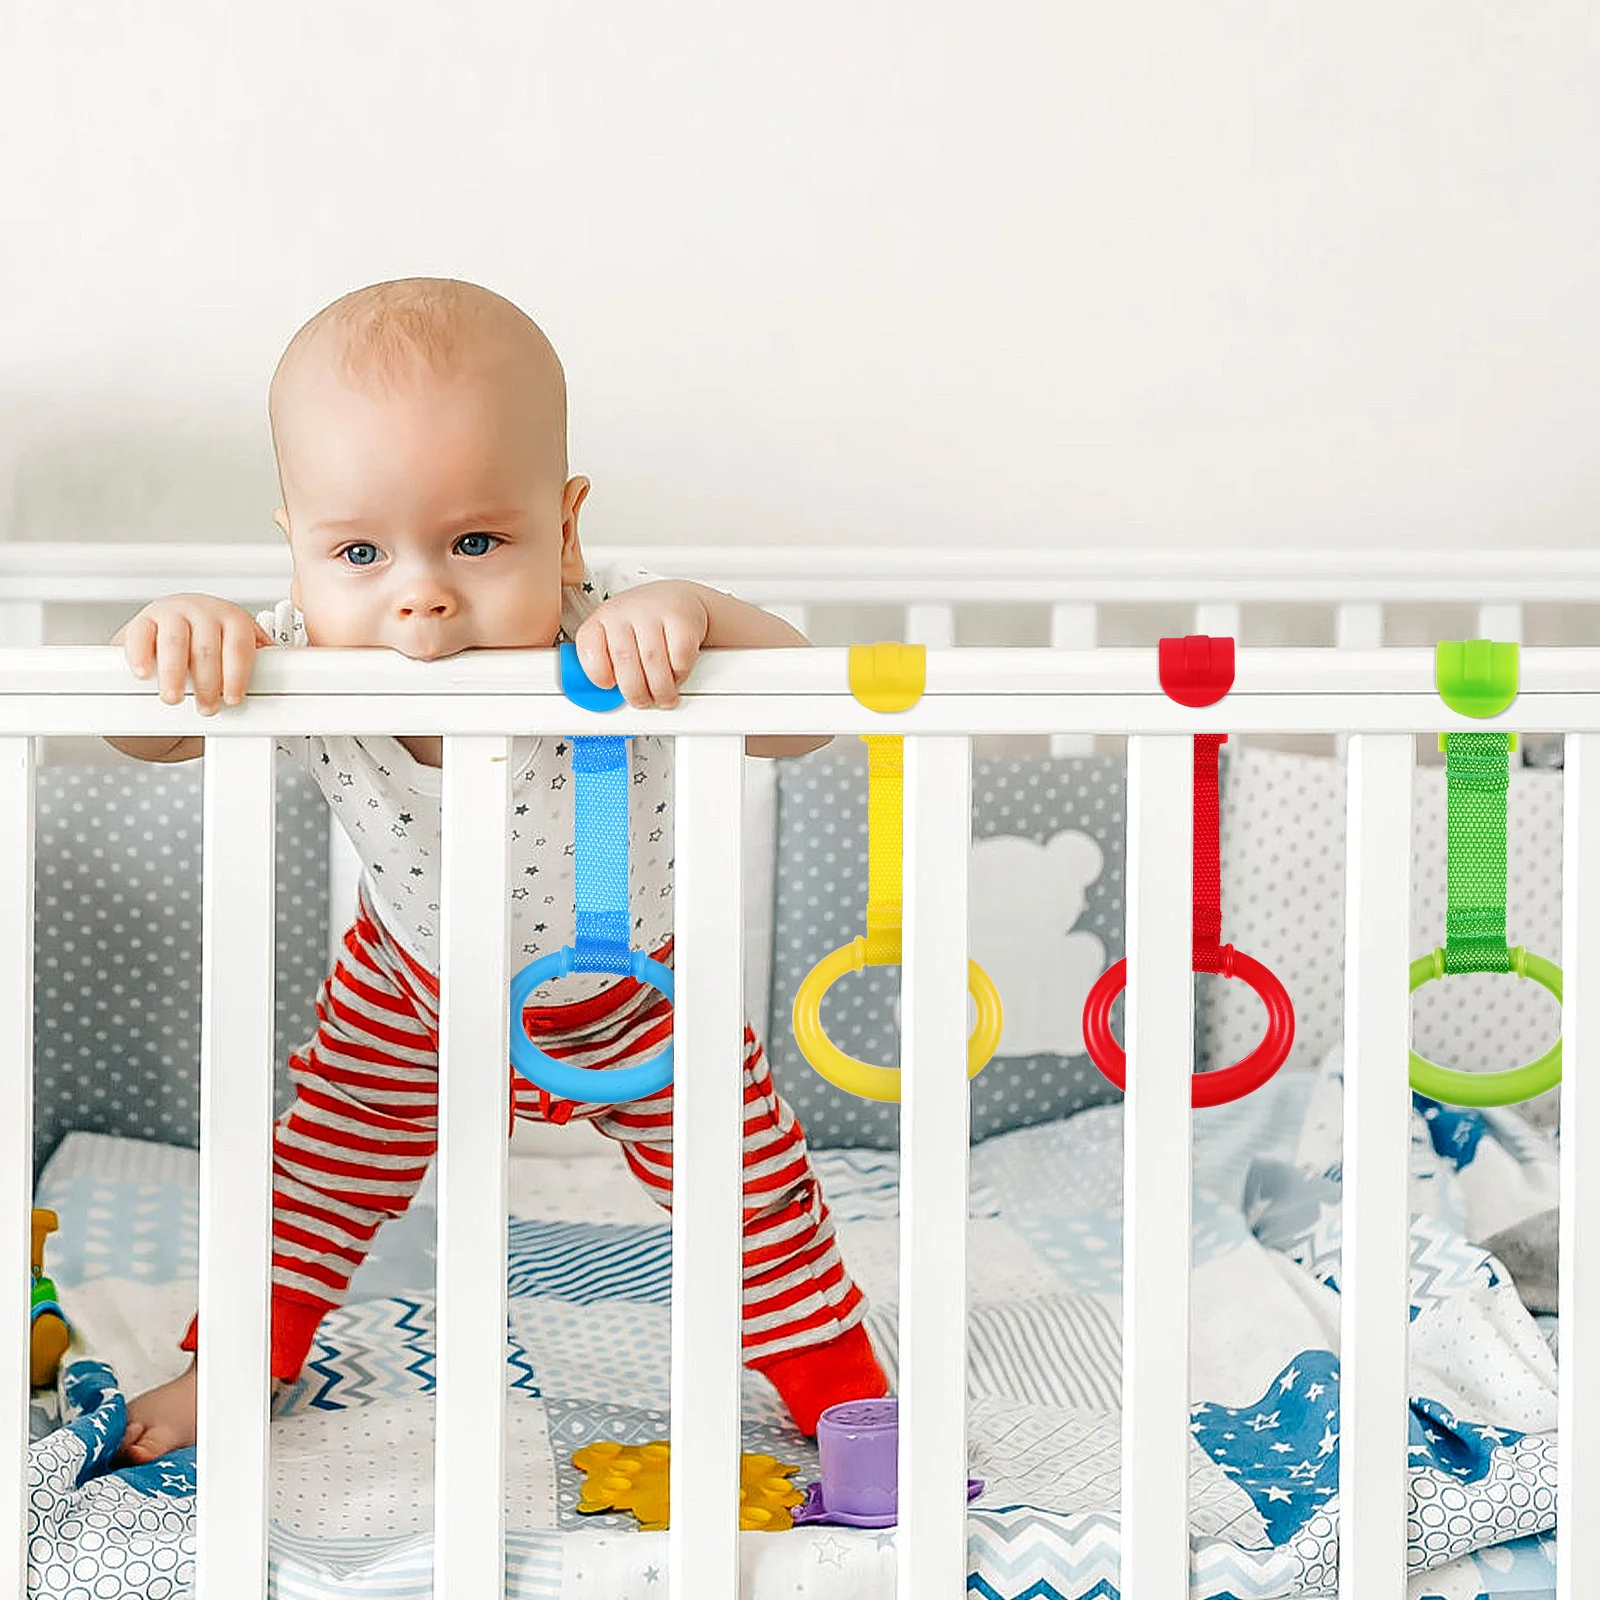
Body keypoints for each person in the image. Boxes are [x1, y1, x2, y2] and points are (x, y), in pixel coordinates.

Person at [106, 277, 888, 1463]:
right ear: (295, 544)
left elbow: (803, 719)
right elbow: (151, 731)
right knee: (310, 1175)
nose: (419, 590)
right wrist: (178, 633)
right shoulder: (297, 652)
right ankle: (234, 1365)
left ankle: (838, 1389)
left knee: (753, 1190)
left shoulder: (620, 632)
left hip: (636, 987)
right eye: (358, 549)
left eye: (477, 540)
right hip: (408, 984)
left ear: (564, 528)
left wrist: (701, 615)